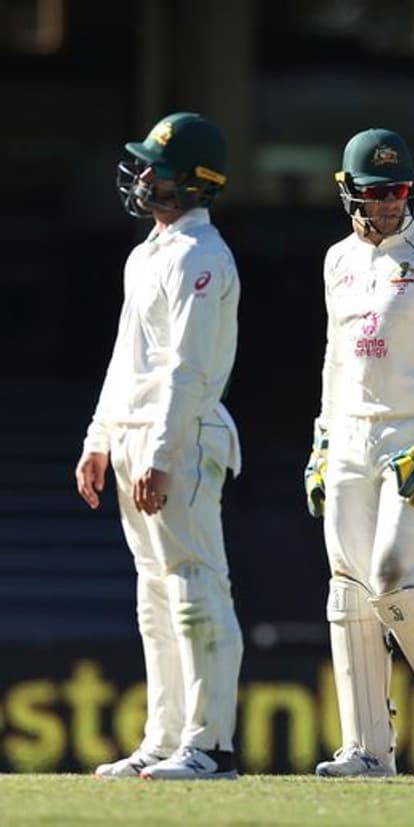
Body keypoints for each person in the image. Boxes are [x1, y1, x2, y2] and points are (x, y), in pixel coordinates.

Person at [305, 128, 414, 777]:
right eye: (376, 192)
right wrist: (322, 440)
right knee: (349, 588)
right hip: (350, 432)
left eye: (400, 191)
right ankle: (368, 747)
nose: (389, 204)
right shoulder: (337, 261)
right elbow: (333, 356)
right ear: (349, 193)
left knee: (391, 576)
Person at [75, 112, 244, 780]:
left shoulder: (203, 256)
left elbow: (188, 369)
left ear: (192, 183)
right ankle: (165, 736)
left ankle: (211, 745)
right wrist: (99, 438)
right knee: (155, 595)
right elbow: (127, 361)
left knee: (197, 585)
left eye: (156, 167)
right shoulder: (147, 253)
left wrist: (162, 454)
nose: (142, 175)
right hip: (136, 437)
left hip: (183, 437)